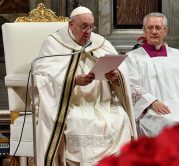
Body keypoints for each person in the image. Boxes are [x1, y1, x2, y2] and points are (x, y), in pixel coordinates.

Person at [34, 6, 137, 166]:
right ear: (71, 25)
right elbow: (43, 75)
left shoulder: (100, 43)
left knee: (120, 117)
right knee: (79, 120)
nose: (88, 31)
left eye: (91, 26)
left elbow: (122, 72)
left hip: (101, 102)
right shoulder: (53, 43)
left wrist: (115, 77)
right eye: (84, 27)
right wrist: (73, 80)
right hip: (71, 103)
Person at [125, 12, 179, 137]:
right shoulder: (132, 58)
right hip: (152, 109)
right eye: (150, 28)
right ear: (144, 31)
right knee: (169, 123)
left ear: (165, 31)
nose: (154, 31)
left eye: (158, 28)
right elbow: (130, 85)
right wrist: (151, 102)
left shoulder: (178, 55)